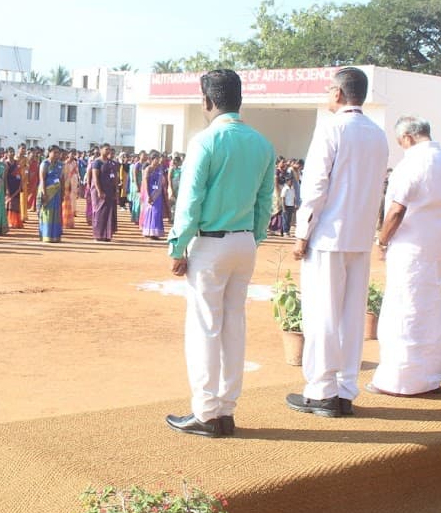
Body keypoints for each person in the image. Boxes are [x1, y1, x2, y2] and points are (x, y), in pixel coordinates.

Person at [165, 70, 275, 438]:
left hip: (211, 243)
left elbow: (190, 200)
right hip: (244, 241)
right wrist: (254, 238)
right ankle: (226, 410)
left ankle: (206, 412)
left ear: (207, 101)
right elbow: (265, 200)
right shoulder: (262, 144)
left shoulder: (205, 141)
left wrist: (178, 246)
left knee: (204, 328)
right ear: (239, 100)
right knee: (233, 326)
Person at [288, 66, 389, 418]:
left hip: (329, 235)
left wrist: (302, 233)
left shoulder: (331, 128)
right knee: (350, 317)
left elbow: (316, 186)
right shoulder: (378, 134)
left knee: (322, 315)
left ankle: (321, 391)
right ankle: (345, 389)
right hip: (359, 237)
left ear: (338, 93)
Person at [370, 117, 441, 396]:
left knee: (403, 311)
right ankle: (428, 377)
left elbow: (397, 210)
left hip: (409, 247)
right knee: (430, 310)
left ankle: (398, 379)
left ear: (408, 138)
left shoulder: (412, 164)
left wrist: (382, 239)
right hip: (435, 246)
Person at [89, 144, 119, 242]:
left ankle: (107, 235)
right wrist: (99, 191)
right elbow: (95, 177)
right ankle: (98, 235)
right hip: (99, 191)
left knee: (109, 212)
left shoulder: (111, 163)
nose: (108, 151)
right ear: (101, 150)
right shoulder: (97, 162)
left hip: (110, 190)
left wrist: (116, 190)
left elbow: (115, 177)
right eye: (106, 149)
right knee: (99, 212)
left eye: (109, 149)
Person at [37, 145, 65, 243]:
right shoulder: (45, 164)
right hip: (47, 191)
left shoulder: (60, 164)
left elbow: (62, 179)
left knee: (56, 213)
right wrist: (44, 193)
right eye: (54, 152)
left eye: (58, 153)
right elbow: (42, 180)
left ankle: (55, 236)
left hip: (57, 193)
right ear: (49, 152)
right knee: (47, 213)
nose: (57, 155)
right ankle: (46, 235)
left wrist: (63, 193)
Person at [138, 151, 168, 240]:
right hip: (150, 193)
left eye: (158, 159)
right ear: (152, 159)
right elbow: (146, 183)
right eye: (156, 159)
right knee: (151, 212)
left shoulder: (160, 169)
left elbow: (162, 181)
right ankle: (149, 231)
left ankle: (155, 232)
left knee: (157, 212)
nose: (158, 161)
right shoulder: (148, 169)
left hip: (158, 194)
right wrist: (148, 195)